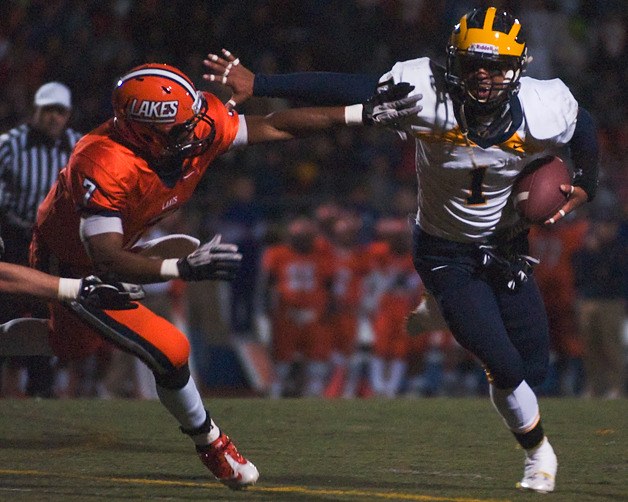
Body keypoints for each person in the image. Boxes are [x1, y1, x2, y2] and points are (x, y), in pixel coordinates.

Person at [203, 6, 600, 493]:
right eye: (473, 63)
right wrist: (261, 82)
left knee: (535, 366)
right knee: (506, 366)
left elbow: (585, 128)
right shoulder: (426, 93)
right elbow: (349, 87)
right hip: (444, 251)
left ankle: (444, 313)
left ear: (517, 68)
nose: (483, 75)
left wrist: (586, 185)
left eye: (495, 66)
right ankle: (539, 455)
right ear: (453, 62)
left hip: (506, 245)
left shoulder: (546, 105)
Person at [30, 62, 400, 488]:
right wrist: (180, 269)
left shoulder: (197, 121)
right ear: (142, 132)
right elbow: (105, 257)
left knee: (69, 346)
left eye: (193, 119)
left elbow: (275, 125)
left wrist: (359, 113)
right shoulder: (102, 161)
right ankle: (213, 444)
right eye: (179, 128)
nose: (195, 132)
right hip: (76, 261)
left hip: (120, 245)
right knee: (168, 347)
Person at [0, 81, 83, 397]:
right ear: (35, 111)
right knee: (5, 311)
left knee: (46, 317)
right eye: (48, 110)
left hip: (53, 247)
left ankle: (41, 390)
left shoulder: (78, 146)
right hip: (14, 239)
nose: (53, 118)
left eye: (59, 112)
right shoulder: (10, 144)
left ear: (68, 115)